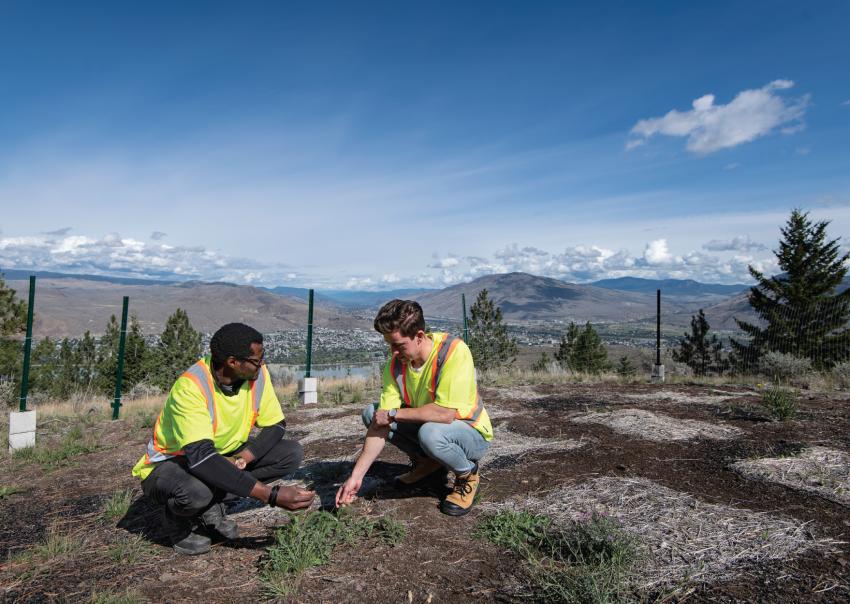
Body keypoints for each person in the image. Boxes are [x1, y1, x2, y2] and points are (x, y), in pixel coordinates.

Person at [131, 322, 315, 555]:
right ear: (232, 362)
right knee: (197, 492)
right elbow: (201, 458)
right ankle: (177, 521)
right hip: (170, 465)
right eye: (257, 360)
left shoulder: (257, 376)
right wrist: (271, 495)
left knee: (290, 454)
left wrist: (244, 457)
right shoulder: (191, 387)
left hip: (219, 456)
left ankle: (211, 506)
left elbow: (276, 425)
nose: (263, 364)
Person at [336, 300, 493, 516]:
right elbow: (381, 422)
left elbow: (444, 414)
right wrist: (356, 477)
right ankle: (429, 465)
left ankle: (467, 473)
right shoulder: (396, 364)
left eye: (399, 345)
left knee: (431, 433)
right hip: (432, 429)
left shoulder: (453, 352)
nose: (393, 352)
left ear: (419, 337)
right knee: (372, 414)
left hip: (470, 434)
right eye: (389, 345)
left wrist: (393, 413)